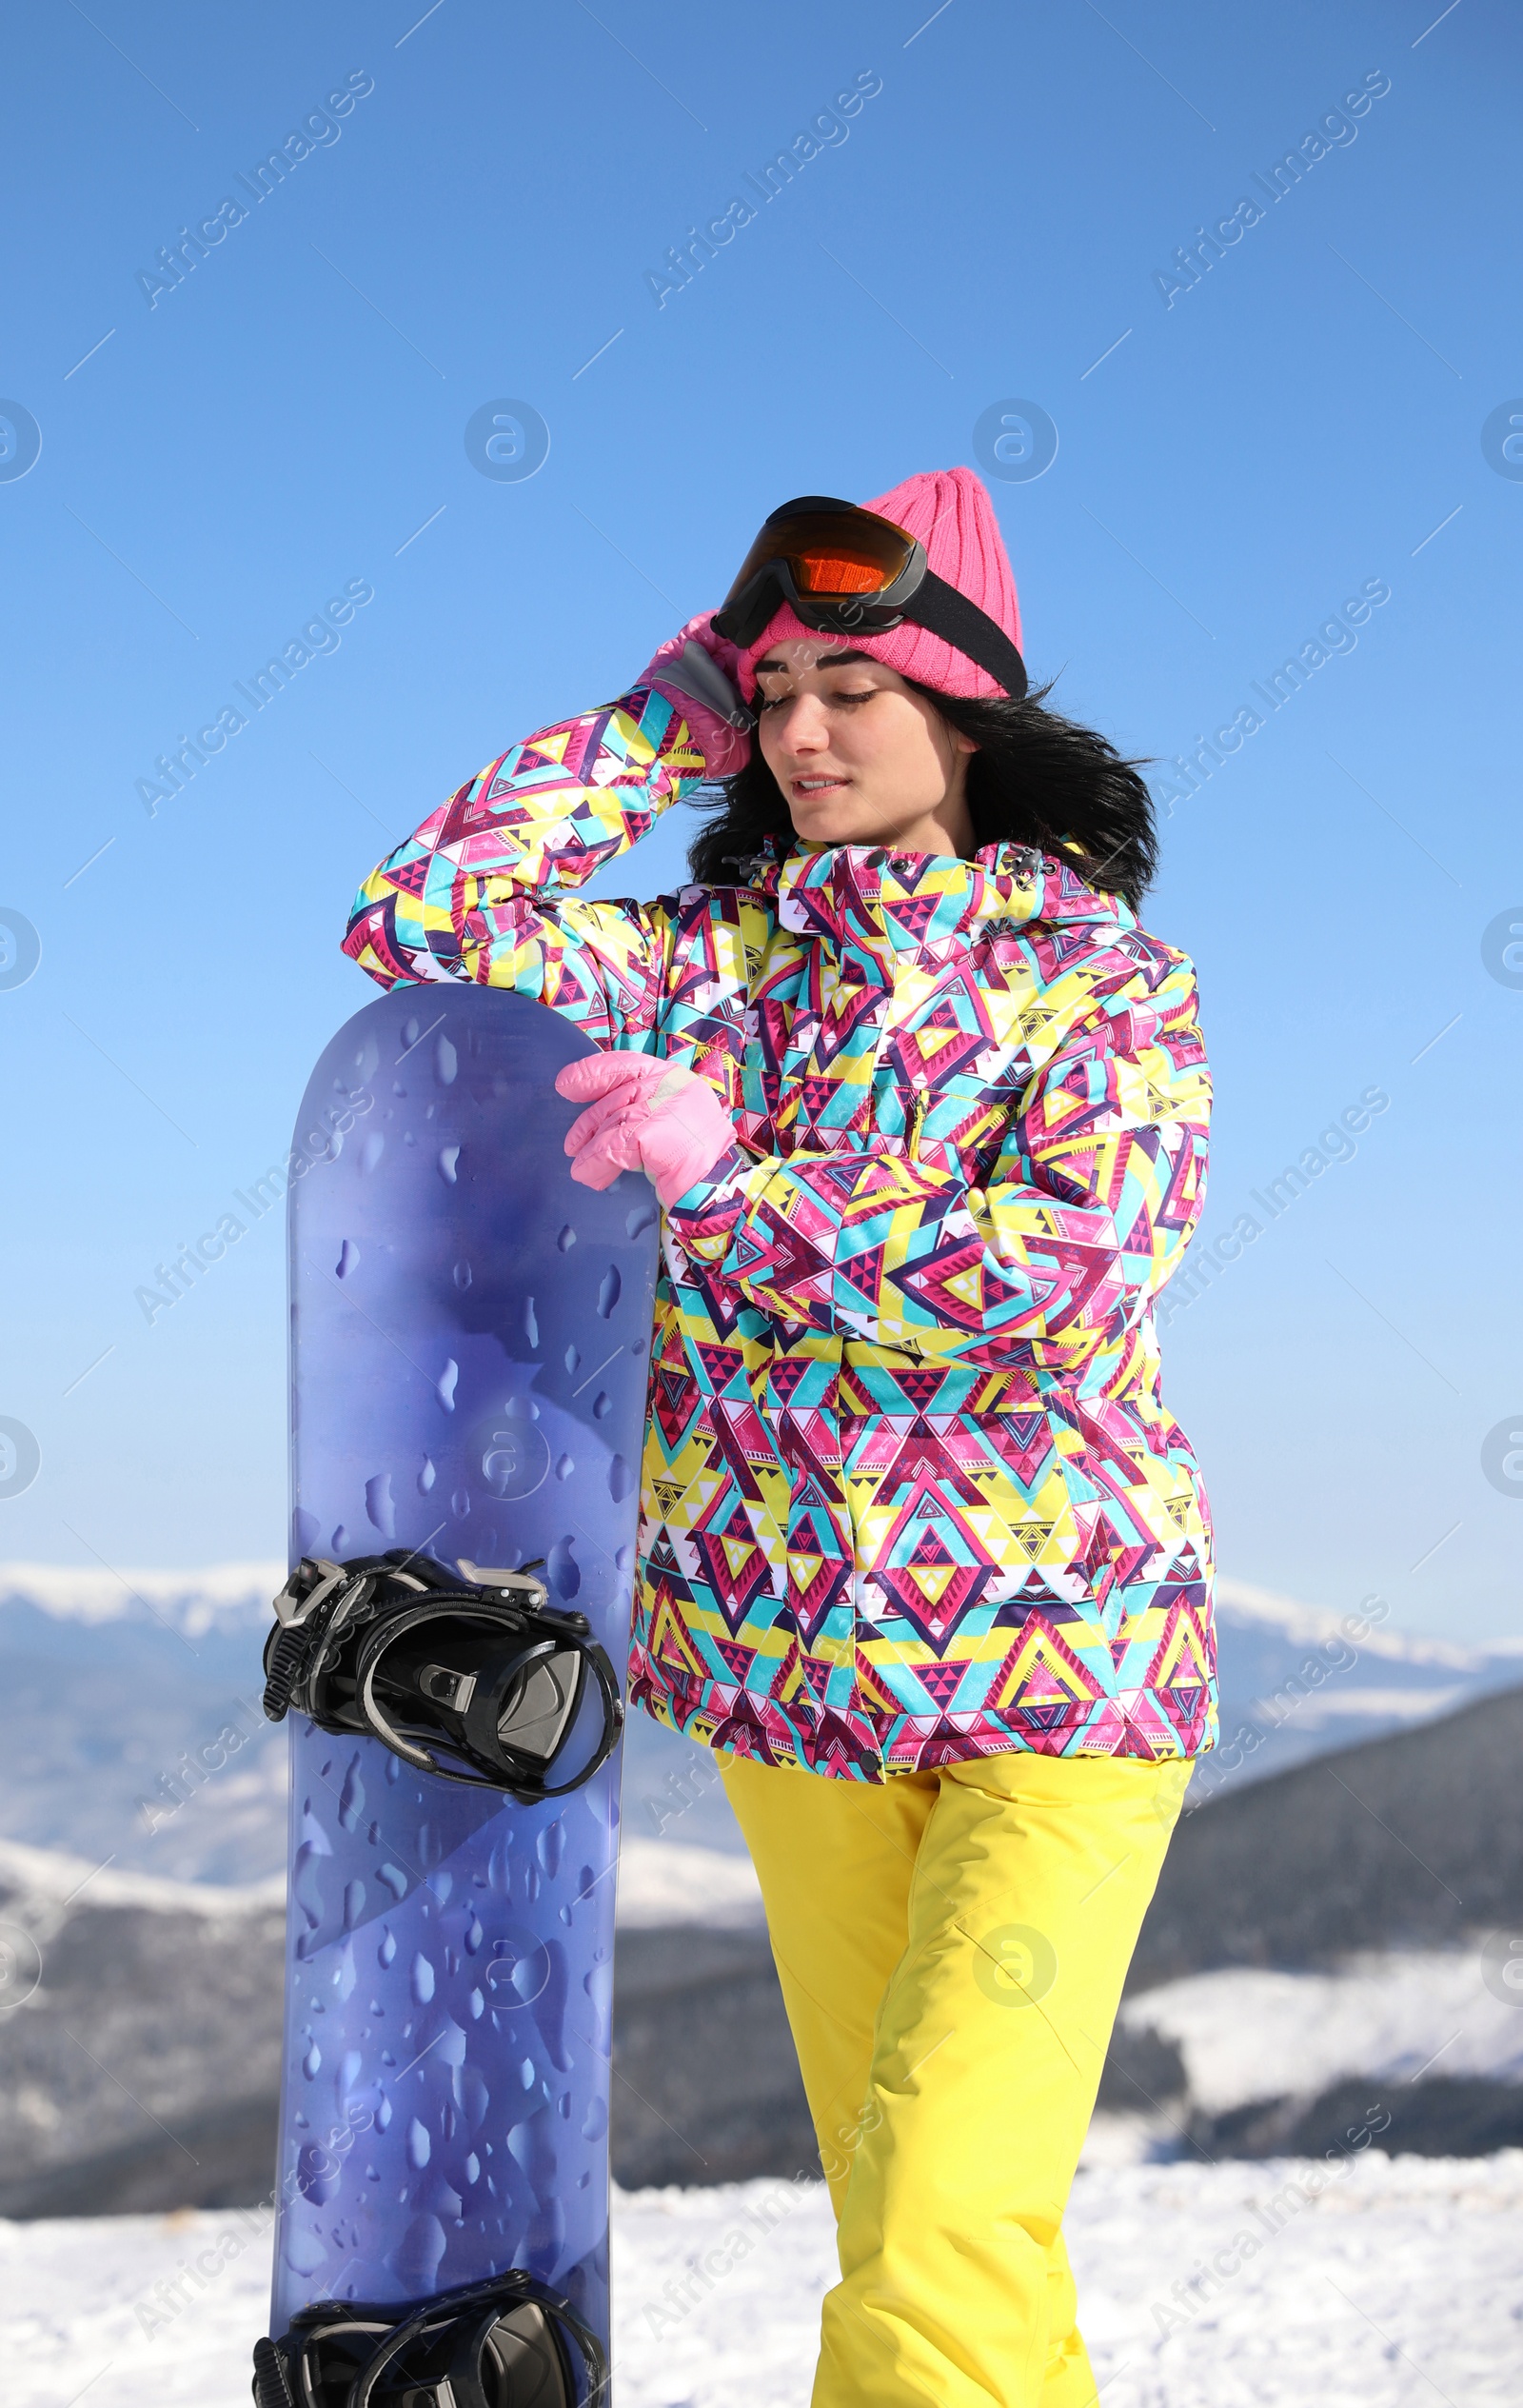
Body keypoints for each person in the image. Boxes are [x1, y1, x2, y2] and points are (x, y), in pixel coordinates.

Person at [343, 467, 1216, 2408]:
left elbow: (1063, 1270)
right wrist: (649, 726)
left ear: (961, 702)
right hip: (784, 1686)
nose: (801, 731)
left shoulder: (1096, 979)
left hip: (1052, 1677)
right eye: (772, 688)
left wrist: (739, 1186)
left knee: (934, 2240)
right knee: (930, 2226)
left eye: (851, 683)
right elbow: (416, 915)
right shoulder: (704, 964)